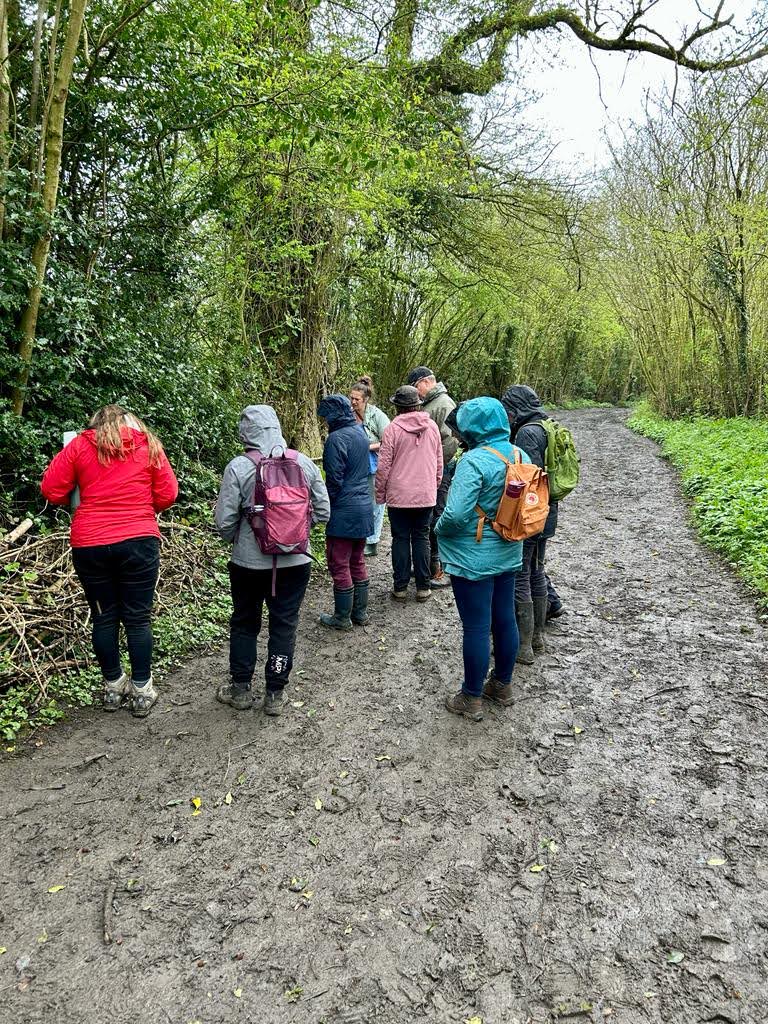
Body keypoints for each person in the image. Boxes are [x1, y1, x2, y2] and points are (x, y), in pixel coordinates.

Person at [40, 405, 178, 717]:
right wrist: (140, 508)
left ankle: (114, 686)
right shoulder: (148, 445)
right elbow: (168, 494)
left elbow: (51, 489)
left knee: (103, 617)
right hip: (139, 541)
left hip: (90, 544)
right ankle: (142, 690)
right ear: (132, 422)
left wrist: (82, 500)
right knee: (138, 619)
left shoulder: (79, 445)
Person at [214, 405, 330, 715]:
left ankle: (240, 690)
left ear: (245, 432)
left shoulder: (238, 467)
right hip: (295, 562)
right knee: (284, 625)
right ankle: (275, 693)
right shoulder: (303, 463)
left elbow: (224, 522)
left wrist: (242, 539)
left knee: (244, 623)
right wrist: (295, 533)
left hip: (248, 565)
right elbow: (323, 511)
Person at [435, 397, 531, 722]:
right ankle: (501, 686)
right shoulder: (520, 453)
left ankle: (471, 696)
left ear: (473, 427)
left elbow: (456, 513)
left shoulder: (474, 461)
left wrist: (438, 530)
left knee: (476, 626)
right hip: (509, 548)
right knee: (504, 619)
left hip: (472, 557)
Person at [500, 384, 560, 663]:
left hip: (531, 513)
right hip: (548, 511)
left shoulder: (527, 433)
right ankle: (537, 638)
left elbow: (525, 478)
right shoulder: (548, 426)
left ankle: (524, 645)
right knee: (537, 569)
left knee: (522, 573)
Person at [375, 385, 442, 602]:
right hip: (426, 493)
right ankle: (423, 587)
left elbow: (384, 466)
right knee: (422, 537)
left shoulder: (393, 429)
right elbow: (438, 461)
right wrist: (434, 485)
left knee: (401, 538)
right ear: (418, 404)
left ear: (397, 407)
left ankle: (401, 587)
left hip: (399, 495)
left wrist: (380, 494)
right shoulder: (432, 426)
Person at [317, 394, 374, 630]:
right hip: (363, 507)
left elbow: (334, 480)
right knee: (357, 559)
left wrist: (323, 506)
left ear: (332, 416)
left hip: (343, 509)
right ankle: (359, 614)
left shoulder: (335, 439)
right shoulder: (361, 433)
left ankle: (342, 617)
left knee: (339, 562)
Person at [406, 366, 457, 588]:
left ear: (426, 382)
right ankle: (427, 565)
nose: (416, 392)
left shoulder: (443, 404)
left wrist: (432, 466)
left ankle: (441, 567)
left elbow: (450, 442)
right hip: (433, 469)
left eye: (416, 387)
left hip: (440, 470)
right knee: (429, 517)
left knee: (438, 515)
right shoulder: (431, 404)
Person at [349, 376, 390, 557]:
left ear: (365, 400)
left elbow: (388, 441)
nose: (353, 402)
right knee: (357, 502)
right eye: (351, 398)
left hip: (374, 465)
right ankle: (358, 539)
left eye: (356, 399)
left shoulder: (377, 416)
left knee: (375, 503)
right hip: (354, 465)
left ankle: (372, 541)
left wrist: (367, 446)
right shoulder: (348, 414)